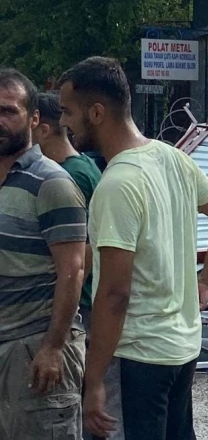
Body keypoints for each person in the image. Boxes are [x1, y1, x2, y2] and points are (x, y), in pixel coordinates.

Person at [58, 56, 208, 440]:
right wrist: (205, 283)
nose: (64, 123)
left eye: (68, 112)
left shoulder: (117, 184)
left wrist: (93, 381)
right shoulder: (172, 158)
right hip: (183, 348)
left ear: (96, 112)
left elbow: (113, 295)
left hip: (140, 357)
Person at [0, 70, 87, 439]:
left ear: (34, 119)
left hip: (34, 349)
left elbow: (74, 270)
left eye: (8, 111)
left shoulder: (52, 183)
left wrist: (52, 347)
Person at [32, 92, 102, 330]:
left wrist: (70, 291)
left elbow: (88, 246)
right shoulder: (81, 165)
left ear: (42, 131)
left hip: (81, 303)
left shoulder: (69, 176)